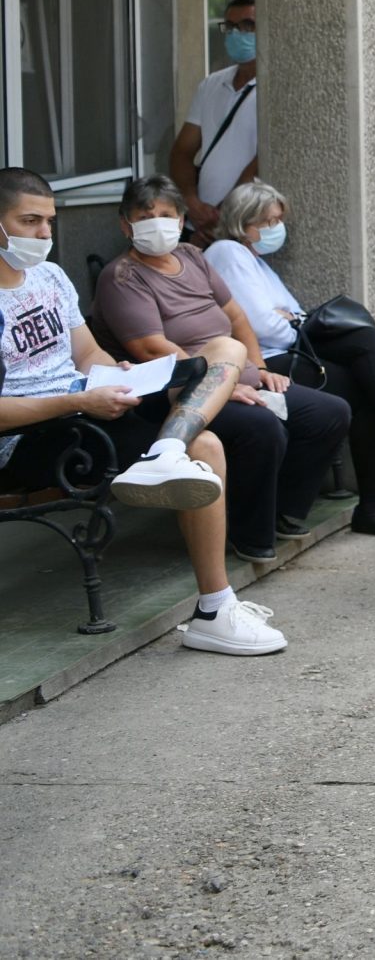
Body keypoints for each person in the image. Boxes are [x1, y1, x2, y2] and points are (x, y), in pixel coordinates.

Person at [0, 168, 284, 654]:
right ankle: (215, 606)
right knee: (209, 443)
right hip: (34, 432)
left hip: (87, 405)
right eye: (30, 222)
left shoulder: (49, 276)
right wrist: (80, 400)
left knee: (223, 350)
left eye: (49, 221)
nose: (45, 234)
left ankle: (171, 454)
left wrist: (121, 373)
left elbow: (88, 356)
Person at [95, 175, 351, 562]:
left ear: (181, 220)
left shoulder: (193, 257)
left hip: (237, 374)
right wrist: (223, 387)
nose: (157, 222)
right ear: (124, 224)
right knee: (262, 428)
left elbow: (236, 316)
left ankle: (279, 511)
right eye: (145, 216)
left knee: (329, 413)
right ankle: (247, 534)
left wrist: (260, 368)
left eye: (166, 214)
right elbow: (150, 348)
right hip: (178, 391)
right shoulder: (122, 277)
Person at [205, 179, 375, 539]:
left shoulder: (256, 260)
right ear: (241, 221)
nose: (276, 229)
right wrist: (290, 321)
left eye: (278, 220)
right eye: (267, 221)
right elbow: (264, 325)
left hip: (285, 355)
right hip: (262, 365)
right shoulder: (226, 253)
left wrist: (289, 319)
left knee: (366, 362)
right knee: (364, 361)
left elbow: (292, 313)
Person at [172, 0, 260, 240]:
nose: (236, 34)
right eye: (230, 27)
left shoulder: (274, 89)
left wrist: (226, 211)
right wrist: (190, 201)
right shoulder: (212, 84)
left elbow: (263, 160)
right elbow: (182, 151)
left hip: (243, 222)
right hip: (199, 222)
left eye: (248, 25)